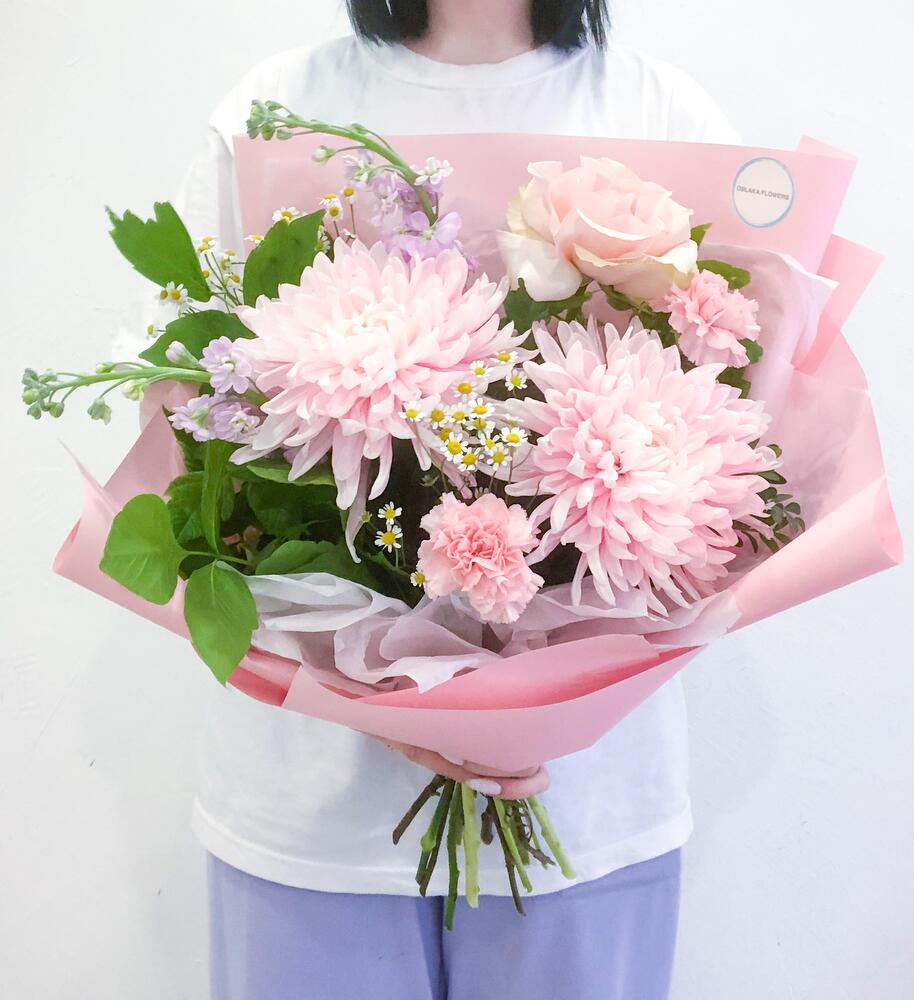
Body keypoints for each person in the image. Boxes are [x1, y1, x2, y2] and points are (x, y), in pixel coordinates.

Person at [171, 3, 742, 997]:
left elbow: (735, 426)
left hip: (587, 806)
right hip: (314, 808)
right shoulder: (280, 108)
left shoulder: (661, 112)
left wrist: (526, 715)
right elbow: (187, 419)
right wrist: (368, 691)